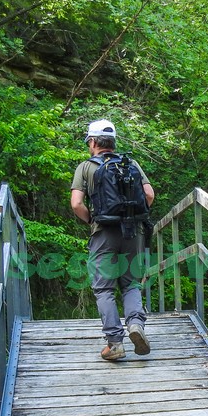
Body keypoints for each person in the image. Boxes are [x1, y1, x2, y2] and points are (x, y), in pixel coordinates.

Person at [70, 119, 156, 361]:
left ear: (94, 142)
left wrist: (93, 221)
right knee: (131, 284)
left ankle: (115, 343)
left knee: (104, 288)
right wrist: (133, 217)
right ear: (113, 142)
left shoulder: (86, 167)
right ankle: (136, 325)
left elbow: (76, 204)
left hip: (103, 233)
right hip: (133, 231)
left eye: (89, 141)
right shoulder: (132, 164)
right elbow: (149, 194)